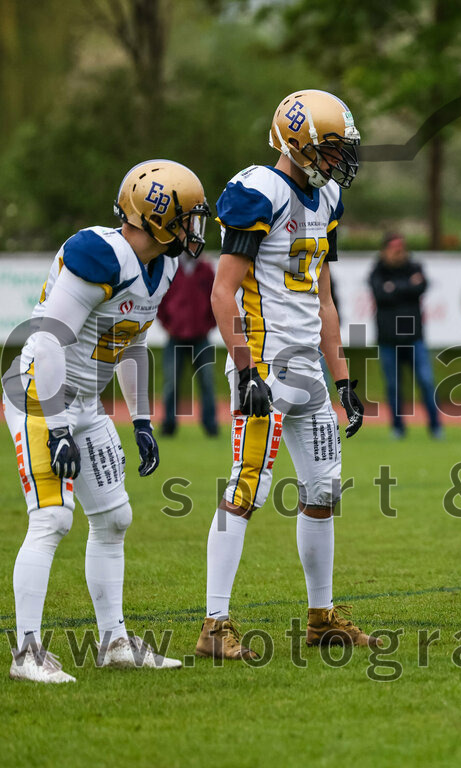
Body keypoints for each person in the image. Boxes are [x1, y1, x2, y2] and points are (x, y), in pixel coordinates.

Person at [3, 159, 209, 682]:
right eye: (187, 217)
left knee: (114, 518)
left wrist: (141, 420)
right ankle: (26, 653)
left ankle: (114, 641)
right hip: (38, 393)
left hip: (86, 401)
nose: (194, 228)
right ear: (159, 216)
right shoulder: (97, 253)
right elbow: (48, 338)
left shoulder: (159, 267)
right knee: (53, 518)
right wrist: (57, 427)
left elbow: (133, 342)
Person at [197, 89, 376, 660]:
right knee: (246, 489)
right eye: (328, 149)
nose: (336, 160)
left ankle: (321, 616)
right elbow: (222, 290)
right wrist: (246, 369)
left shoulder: (327, 202)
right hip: (267, 366)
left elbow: (324, 297)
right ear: (297, 143)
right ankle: (214, 624)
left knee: (323, 490)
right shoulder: (259, 191)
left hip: (307, 370)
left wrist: (342, 376)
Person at [368, 233, 442, 439]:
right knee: (393, 386)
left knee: (426, 382)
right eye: (393, 248)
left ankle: (436, 427)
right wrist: (407, 287)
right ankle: (398, 428)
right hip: (388, 340)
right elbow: (381, 294)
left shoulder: (414, 266)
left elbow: (420, 287)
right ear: (384, 251)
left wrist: (393, 288)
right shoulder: (377, 271)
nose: (398, 252)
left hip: (413, 338)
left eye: (401, 248)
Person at [157, 254, 218, 436]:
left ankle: (210, 425)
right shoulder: (172, 268)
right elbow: (161, 299)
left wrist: (208, 324)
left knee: (207, 382)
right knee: (171, 383)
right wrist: (168, 324)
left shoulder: (206, 269)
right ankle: (168, 425)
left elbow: (215, 297)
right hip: (175, 335)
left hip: (201, 336)